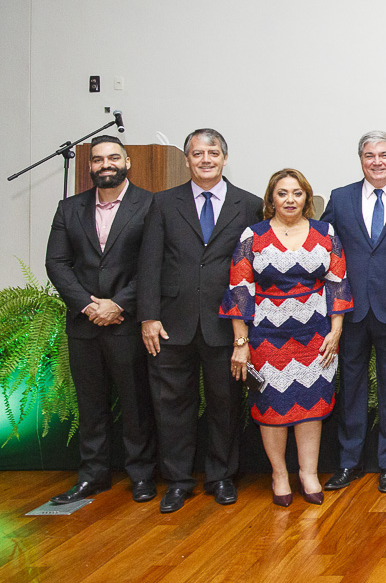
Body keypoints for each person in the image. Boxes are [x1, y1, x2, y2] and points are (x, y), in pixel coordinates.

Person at [138, 128, 262, 513]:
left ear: (224, 158)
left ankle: (221, 476)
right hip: (171, 323)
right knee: (172, 407)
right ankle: (178, 480)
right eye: (197, 153)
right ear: (187, 160)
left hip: (225, 324)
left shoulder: (249, 204)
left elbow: (257, 267)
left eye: (212, 153)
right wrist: (148, 316)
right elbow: (149, 262)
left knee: (225, 405)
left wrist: (249, 327)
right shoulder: (162, 203)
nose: (205, 160)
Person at [220, 169, 351, 507]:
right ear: (271, 199)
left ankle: (308, 473)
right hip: (267, 339)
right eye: (282, 193)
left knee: (312, 405)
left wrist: (336, 331)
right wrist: (241, 343)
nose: (290, 200)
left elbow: (338, 283)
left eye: (297, 193)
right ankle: (279, 474)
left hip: (316, 338)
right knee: (271, 408)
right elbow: (239, 289)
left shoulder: (325, 232)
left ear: (307, 197)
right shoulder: (254, 235)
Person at [45, 136, 157, 505]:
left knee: (136, 404)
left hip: (128, 322)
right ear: (89, 166)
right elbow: (56, 263)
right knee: (90, 405)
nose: (105, 164)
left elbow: (153, 265)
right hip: (84, 324)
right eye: (97, 159)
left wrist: (119, 304)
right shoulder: (69, 208)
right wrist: (87, 306)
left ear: (127, 161)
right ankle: (93, 476)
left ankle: (142, 475)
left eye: (113, 157)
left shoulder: (150, 205)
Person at [321, 131, 386, 494]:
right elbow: (325, 250)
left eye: (383, 155)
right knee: (351, 387)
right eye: (369, 155)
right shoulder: (340, 198)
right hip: (350, 311)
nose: (376, 162)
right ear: (361, 160)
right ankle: (349, 462)